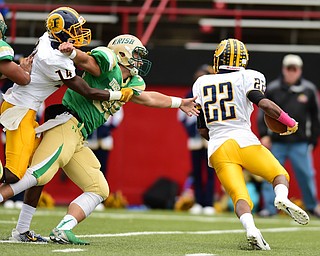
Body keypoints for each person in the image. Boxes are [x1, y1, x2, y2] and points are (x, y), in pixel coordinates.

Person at [0, 33, 198, 245]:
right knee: (39, 174)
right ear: (122, 54)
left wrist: (180, 102)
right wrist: (74, 52)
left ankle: (63, 228)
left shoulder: (133, 81)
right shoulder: (108, 61)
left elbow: (149, 98)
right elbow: (88, 61)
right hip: (66, 123)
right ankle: (15, 219)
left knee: (98, 188)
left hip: (80, 136)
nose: (139, 60)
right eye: (137, 54)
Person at [0, 6, 134, 243]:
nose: (79, 33)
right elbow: (88, 90)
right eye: (74, 30)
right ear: (59, 33)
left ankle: (21, 231)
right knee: (13, 175)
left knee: (37, 175)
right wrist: (117, 95)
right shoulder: (53, 58)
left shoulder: (48, 40)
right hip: (20, 111)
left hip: (27, 111)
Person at [192, 38, 309, 250]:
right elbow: (263, 103)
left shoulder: (201, 83)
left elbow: (202, 129)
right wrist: (289, 123)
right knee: (279, 175)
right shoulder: (249, 76)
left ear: (219, 58)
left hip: (218, 146)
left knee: (239, 195)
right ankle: (281, 197)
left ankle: (251, 229)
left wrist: (219, 138)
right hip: (244, 140)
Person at [257, 54, 320, 218]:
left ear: (300, 70)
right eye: (289, 68)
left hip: (300, 142)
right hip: (277, 141)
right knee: (270, 173)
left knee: (306, 175)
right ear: (284, 69)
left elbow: (315, 117)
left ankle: (312, 206)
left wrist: (313, 139)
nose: (291, 72)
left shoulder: (309, 89)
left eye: (295, 69)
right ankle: (269, 209)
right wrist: (264, 134)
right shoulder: (273, 88)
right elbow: (262, 112)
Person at [178, 64, 215, 215]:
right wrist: (190, 131)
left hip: (210, 139)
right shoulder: (189, 94)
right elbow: (181, 116)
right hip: (194, 140)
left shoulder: (213, 95)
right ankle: (199, 202)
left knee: (211, 171)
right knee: (197, 172)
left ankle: (209, 203)